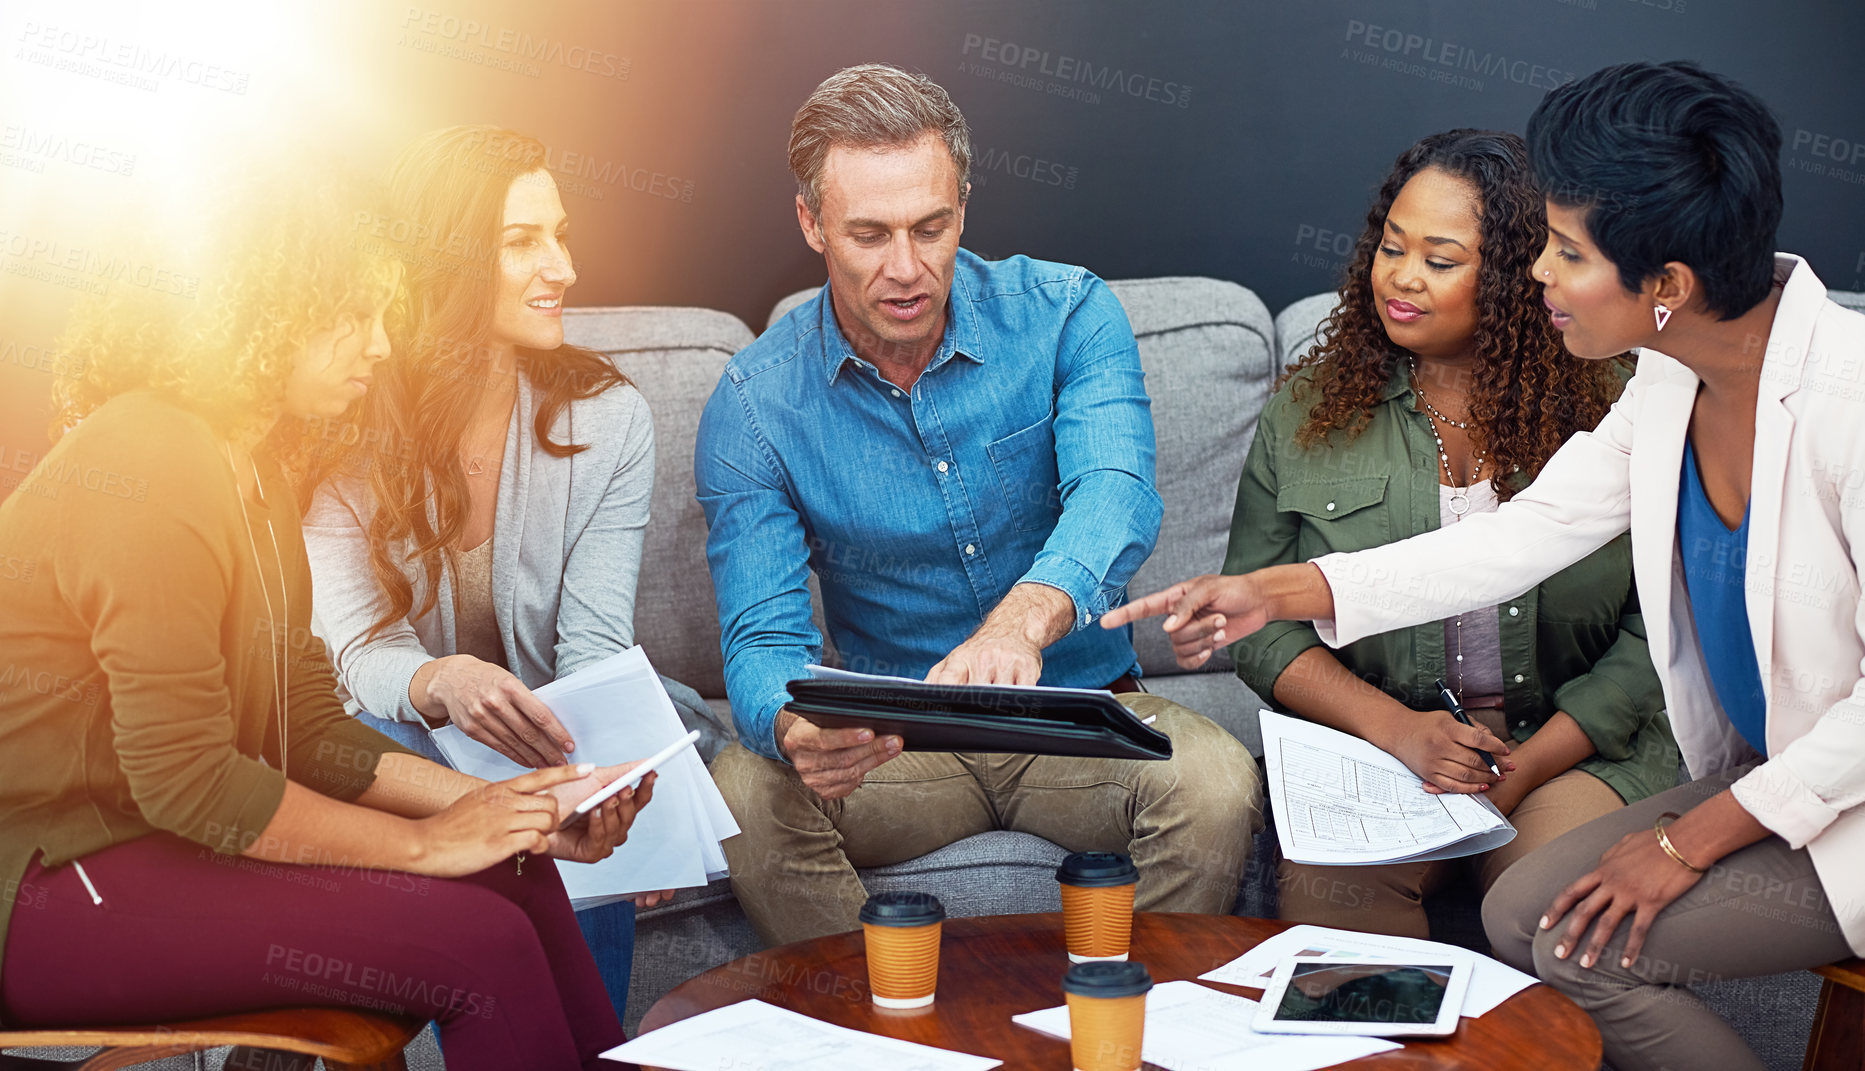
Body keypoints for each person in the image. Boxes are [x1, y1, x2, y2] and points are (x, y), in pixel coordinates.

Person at [1105, 61, 1865, 1071]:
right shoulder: (1671, 383)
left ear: (1668, 288)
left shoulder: (1845, 407)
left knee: (1561, 936)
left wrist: (1685, 842)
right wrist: (1278, 589)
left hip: (1838, 799)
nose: (1536, 274)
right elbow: (1519, 536)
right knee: (1520, 912)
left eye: (1564, 252)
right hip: (1780, 778)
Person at [0, 175, 652, 1071]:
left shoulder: (257, 473)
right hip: (43, 885)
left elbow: (303, 726)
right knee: (479, 948)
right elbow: (186, 779)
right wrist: (426, 843)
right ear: (262, 311)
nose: (384, 345)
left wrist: (511, 810)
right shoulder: (148, 456)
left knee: (517, 866)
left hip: (151, 849)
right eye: (352, 314)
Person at [696, 63, 1262, 947]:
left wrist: (1020, 625)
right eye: (869, 235)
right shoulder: (755, 401)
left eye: (931, 227)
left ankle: (1123, 1023)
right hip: (896, 741)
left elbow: (1115, 493)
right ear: (811, 224)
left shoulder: (1069, 313)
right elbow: (761, 639)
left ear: (963, 204)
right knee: (741, 787)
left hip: (1077, 713)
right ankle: (873, 1036)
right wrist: (792, 722)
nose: (906, 269)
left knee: (1217, 782)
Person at [1228, 129, 1673, 938]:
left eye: (1438, 260)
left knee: (1558, 916)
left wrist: (1527, 763)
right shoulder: (1310, 408)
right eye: (1390, 247)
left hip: (1567, 747)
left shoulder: (1621, 401)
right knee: (1340, 948)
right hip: (1378, 747)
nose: (1399, 277)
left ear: (1510, 277)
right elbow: (1261, 634)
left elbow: (1660, 628)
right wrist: (1398, 731)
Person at [298, 126, 684, 1021]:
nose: (563, 267)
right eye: (521, 242)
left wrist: (625, 800)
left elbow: (591, 649)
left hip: (551, 727)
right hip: (395, 725)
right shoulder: (341, 423)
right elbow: (356, 649)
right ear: (444, 261)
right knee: (385, 747)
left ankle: (588, 1044)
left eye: (561, 235)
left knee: (574, 803)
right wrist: (445, 679)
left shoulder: (611, 420)